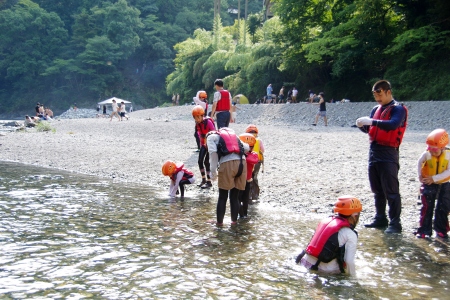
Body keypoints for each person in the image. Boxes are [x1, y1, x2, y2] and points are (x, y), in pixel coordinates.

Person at [356, 79, 408, 234]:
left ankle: (395, 223)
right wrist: (362, 126)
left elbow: (393, 124)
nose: (378, 98)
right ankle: (380, 218)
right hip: (374, 151)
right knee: (377, 188)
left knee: (391, 189)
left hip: (389, 152)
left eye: (380, 94)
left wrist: (371, 121)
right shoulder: (376, 109)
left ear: (388, 92)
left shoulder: (399, 109)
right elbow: (370, 130)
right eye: (375, 95)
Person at [295, 196, 362, 276]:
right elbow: (349, 261)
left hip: (304, 262)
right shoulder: (350, 234)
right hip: (323, 271)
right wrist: (353, 279)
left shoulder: (325, 221)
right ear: (354, 216)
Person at [206, 127, 248, 226]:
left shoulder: (210, 137)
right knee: (234, 196)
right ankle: (234, 222)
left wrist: (213, 172)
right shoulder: (234, 136)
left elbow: (213, 154)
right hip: (242, 163)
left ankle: (219, 223)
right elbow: (246, 148)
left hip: (228, 164)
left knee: (222, 197)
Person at [415, 129, 450, 239]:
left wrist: (434, 178)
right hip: (428, 183)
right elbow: (420, 163)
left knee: (443, 207)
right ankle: (424, 230)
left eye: (435, 150)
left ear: (443, 147)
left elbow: (449, 171)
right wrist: (420, 175)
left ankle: (441, 229)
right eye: (430, 150)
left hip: (444, 183)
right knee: (426, 207)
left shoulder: (448, 155)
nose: (432, 152)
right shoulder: (427, 154)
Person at [192, 104, 216, 189]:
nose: (197, 119)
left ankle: (209, 181)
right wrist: (202, 144)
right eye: (195, 117)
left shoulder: (208, 122)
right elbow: (198, 134)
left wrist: (209, 144)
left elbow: (214, 133)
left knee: (206, 162)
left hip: (210, 144)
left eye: (198, 117)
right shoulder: (197, 124)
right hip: (203, 144)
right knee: (199, 161)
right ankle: (203, 179)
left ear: (202, 116)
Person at [238, 133, 259, 218]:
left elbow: (254, 160)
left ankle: (243, 214)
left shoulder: (252, 155)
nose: (249, 148)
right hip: (242, 180)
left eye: (250, 146)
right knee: (241, 198)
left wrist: (244, 155)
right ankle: (242, 214)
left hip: (245, 180)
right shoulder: (247, 155)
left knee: (244, 198)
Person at [245, 124, 265, 200]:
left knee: (248, 177)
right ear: (257, 133)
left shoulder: (246, 139)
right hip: (257, 161)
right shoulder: (259, 140)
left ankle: (248, 195)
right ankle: (255, 195)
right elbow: (263, 150)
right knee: (255, 177)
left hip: (248, 161)